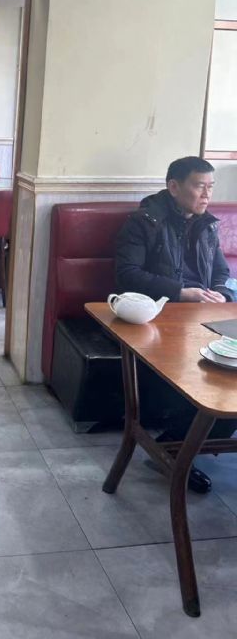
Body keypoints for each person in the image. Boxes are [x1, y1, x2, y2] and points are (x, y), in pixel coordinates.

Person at [115, 156, 237, 493]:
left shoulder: (208, 224)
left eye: (210, 187)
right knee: (217, 378)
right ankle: (175, 449)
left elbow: (221, 272)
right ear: (174, 187)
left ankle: (187, 444)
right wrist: (182, 293)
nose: (207, 194)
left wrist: (222, 293)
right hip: (161, 318)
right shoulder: (144, 221)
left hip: (206, 316)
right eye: (199, 186)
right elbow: (127, 276)